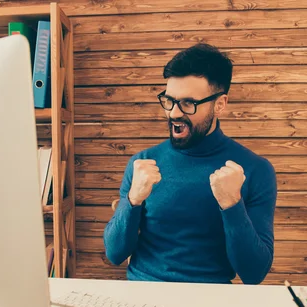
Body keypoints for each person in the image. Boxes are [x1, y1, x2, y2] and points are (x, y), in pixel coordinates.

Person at [103, 44, 277, 284]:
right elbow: (114, 254)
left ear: (220, 104)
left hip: (209, 299)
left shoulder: (255, 170)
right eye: (169, 101)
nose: (174, 113)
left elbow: (254, 273)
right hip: (143, 294)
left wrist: (232, 204)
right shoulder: (142, 164)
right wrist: (133, 201)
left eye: (187, 103)